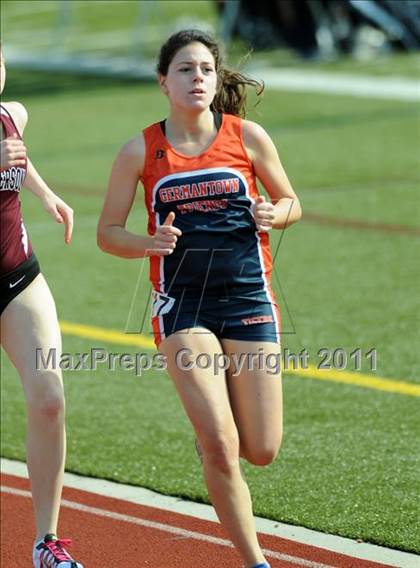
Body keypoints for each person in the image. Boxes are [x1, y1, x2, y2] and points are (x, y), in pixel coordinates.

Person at [98, 29, 301, 568]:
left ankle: (216, 441)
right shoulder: (140, 149)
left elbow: (291, 202)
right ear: (164, 81)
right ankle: (255, 561)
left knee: (260, 449)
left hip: (248, 298)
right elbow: (108, 233)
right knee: (219, 441)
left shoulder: (248, 137)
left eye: (206, 70)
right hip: (182, 306)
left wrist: (272, 214)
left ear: (217, 79)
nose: (198, 79)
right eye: (186, 70)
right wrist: (149, 243)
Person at [0, 48, 84, 568]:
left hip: (18, 276)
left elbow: (17, 157)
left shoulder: (12, 114)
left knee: (49, 400)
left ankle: (46, 543)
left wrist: (48, 194)